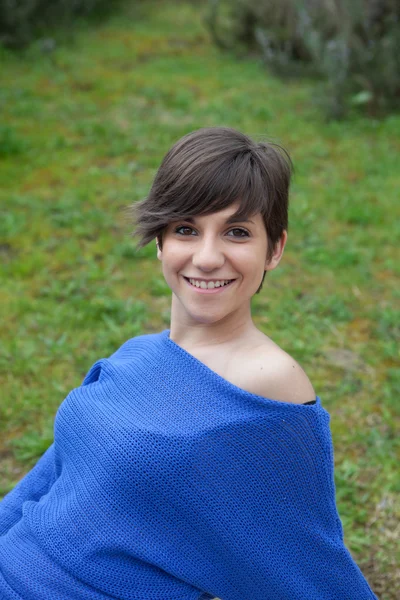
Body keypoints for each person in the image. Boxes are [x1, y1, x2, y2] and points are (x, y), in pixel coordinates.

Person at [0, 127, 378, 600]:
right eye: (186, 229)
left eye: (237, 233)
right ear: (160, 242)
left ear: (275, 250)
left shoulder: (268, 382)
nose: (206, 257)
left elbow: (307, 567)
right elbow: (52, 476)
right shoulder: (136, 353)